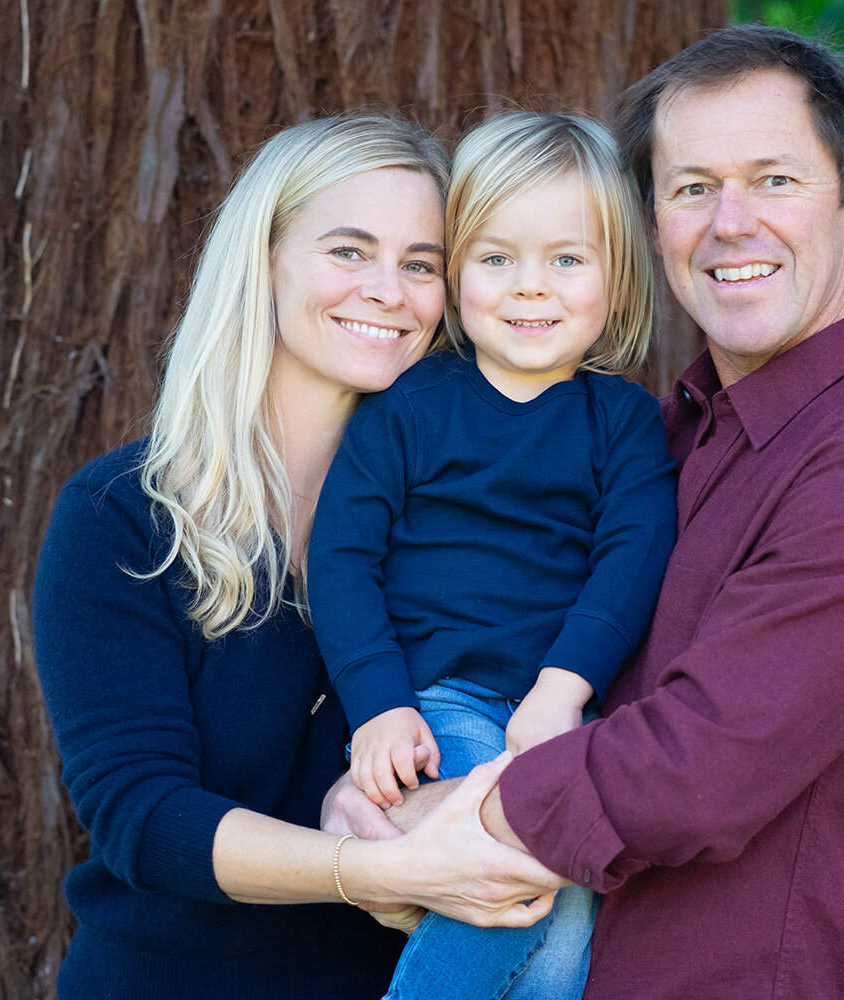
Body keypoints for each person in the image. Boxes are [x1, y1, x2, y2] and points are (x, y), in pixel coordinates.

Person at [345, 25, 844, 1000]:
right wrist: (367, 776)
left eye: (775, 180)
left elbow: (700, 765)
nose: (730, 222)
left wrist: (451, 821)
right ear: (655, 224)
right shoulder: (669, 439)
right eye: (693, 188)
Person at [32, 114, 564, 1000]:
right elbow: (143, 817)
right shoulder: (125, 519)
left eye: (421, 263)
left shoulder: (465, 521)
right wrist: (370, 868)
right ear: (264, 259)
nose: (389, 291)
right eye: (350, 251)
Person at [307, 111, 677, 1000]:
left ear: (618, 281)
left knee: (567, 941)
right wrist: (381, 708)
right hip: (442, 707)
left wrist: (563, 689)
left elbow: (630, 561)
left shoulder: (621, 423)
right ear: (457, 271)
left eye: (567, 259)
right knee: (511, 887)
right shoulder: (407, 406)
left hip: (562, 710)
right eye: (496, 258)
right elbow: (343, 558)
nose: (530, 288)